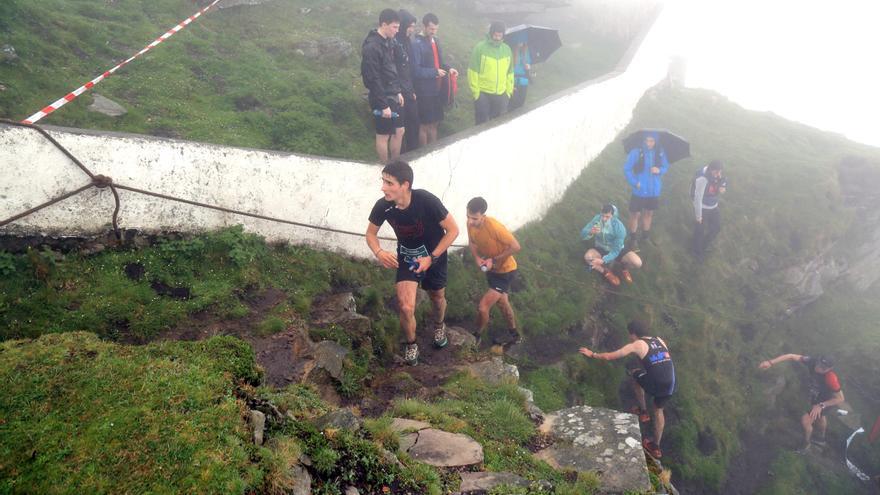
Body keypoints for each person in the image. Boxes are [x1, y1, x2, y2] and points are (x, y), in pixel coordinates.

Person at [366, 161, 459, 366]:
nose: (383, 187)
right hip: (407, 258)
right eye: (383, 181)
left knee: (437, 297)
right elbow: (371, 233)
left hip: (434, 256)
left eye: (389, 183)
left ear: (405, 185)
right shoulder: (384, 205)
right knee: (406, 307)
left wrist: (431, 258)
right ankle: (411, 344)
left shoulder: (427, 201)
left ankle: (439, 324)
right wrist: (379, 252)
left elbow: (453, 230)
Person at [579, 320, 675, 458]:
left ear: (634, 334)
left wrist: (592, 354)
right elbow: (662, 361)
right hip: (670, 383)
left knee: (634, 374)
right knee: (659, 409)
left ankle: (643, 411)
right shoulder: (659, 340)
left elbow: (610, 356)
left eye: (630, 334)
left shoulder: (638, 344)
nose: (629, 337)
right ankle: (655, 447)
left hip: (655, 382)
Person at [759, 354, 845, 452]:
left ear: (830, 369)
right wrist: (770, 363)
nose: (819, 368)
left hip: (827, 401)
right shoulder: (812, 361)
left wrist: (821, 405)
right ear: (818, 360)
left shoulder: (831, 378)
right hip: (817, 396)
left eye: (823, 368)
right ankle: (821, 439)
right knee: (820, 417)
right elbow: (791, 356)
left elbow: (840, 399)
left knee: (805, 420)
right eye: (819, 364)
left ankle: (806, 443)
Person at [466, 197, 521, 345]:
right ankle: (514, 335)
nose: (470, 221)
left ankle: (476, 336)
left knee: (483, 307)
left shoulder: (495, 227)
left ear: (483, 216)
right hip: (492, 270)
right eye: (468, 217)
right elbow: (471, 241)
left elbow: (516, 246)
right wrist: (477, 258)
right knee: (503, 304)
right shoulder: (470, 223)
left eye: (475, 218)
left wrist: (494, 260)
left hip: (505, 272)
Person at [361, 9, 404, 163]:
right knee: (383, 135)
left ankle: (395, 164)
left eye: (398, 27)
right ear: (384, 24)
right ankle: (385, 168)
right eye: (394, 27)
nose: (397, 31)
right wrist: (383, 104)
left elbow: (392, 69)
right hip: (381, 97)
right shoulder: (372, 46)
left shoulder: (389, 42)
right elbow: (372, 78)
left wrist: (398, 91)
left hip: (392, 93)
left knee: (399, 131)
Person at [412, 13, 457, 146]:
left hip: (438, 90)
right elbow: (415, 70)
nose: (434, 32)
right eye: (431, 29)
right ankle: (424, 153)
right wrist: (434, 73)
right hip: (424, 92)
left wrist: (449, 69)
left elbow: (440, 62)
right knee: (424, 125)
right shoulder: (416, 43)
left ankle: (434, 150)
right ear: (424, 26)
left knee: (435, 123)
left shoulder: (436, 41)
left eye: (436, 29)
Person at [623, 132, 669, 248]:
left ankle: (645, 237)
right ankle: (633, 239)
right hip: (639, 190)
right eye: (647, 140)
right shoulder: (636, 152)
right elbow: (627, 169)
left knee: (649, 213)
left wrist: (659, 170)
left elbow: (665, 166)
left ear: (656, 141)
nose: (649, 143)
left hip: (653, 190)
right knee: (635, 214)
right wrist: (634, 182)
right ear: (644, 140)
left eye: (652, 141)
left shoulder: (660, 153)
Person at [580, 203, 643, 286]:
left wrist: (603, 260)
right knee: (588, 257)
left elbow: (616, 251)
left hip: (617, 249)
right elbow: (582, 234)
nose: (604, 219)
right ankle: (605, 272)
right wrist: (590, 231)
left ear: (613, 216)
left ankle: (624, 266)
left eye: (607, 217)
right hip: (600, 248)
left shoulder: (620, 228)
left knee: (638, 263)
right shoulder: (597, 219)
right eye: (602, 215)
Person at [468, 21, 514, 125]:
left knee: (499, 126)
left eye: (500, 35)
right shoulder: (480, 48)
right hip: (483, 94)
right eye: (495, 35)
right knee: (481, 125)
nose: (497, 38)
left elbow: (510, 72)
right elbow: (472, 72)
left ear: (503, 35)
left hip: (502, 95)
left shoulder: (507, 49)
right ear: (491, 33)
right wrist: (477, 94)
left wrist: (508, 92)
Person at [393, 10, 420, 153]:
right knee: (400, 129)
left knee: (414, 123)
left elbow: (408, 70)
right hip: (398, 93)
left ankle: (414, 154)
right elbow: (394, 71)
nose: (412, 29)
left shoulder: (407, 41)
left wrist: (412, 90)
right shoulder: (394, 42)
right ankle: (402, 158)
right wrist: (399, 91)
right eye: (410, 26)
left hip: (408, 90)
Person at [691, 160, 727, 262]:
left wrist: (722, 188)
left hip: (713, 206)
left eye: (720, 172)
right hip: (702, 206)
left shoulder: (717, 175)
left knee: (716, 228)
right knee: (700, 230)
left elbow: (723, 183)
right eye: (716, 172)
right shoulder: (702, 179)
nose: (718, 175)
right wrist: (698, 216)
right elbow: (698, 198)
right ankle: (696, 252)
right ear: (711, 169)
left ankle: (703, 246)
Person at [508, 42, 530, 111]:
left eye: (523, 40)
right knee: (512, 103)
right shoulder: (510, 51)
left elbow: (529, 62)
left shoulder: (526, 52)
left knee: (521, 104)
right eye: (519, 40)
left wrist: (528, 67)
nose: (521, 42)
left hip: (524, 82)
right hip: (513, 80)